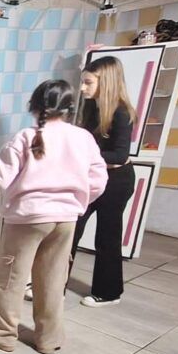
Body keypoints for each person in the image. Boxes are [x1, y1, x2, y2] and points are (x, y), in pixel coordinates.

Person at [0, 81, 107, 354]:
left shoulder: (26, 137)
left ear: (35, 105)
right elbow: (99, 181)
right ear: (69, 108)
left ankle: (2, 334)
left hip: (27, 219)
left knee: (11, 278)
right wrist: (73, 202)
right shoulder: (83, 138)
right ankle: (49, 339)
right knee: (53, 279)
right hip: (66, 219)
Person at [72, 56, 137, 307]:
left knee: (107, 237)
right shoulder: (91, 108)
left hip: (117, 182)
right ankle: (54, 286)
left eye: (88, 82)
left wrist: (84, 156)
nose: (82, 88)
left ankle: (108, 293)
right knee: (71, 229)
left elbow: (120, 156)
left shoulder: (122, 112)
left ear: (106, 81)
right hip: (92, 177)